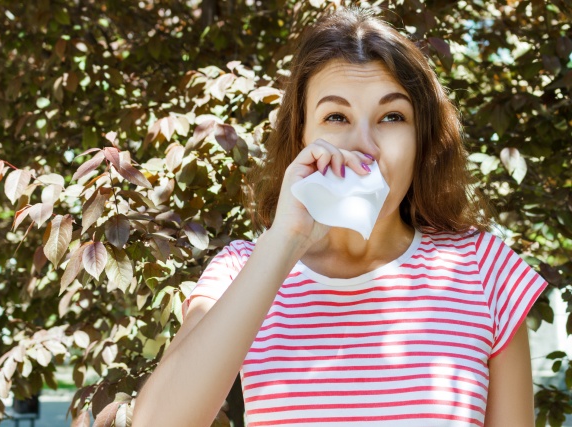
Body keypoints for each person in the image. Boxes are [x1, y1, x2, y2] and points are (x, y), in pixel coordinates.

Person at [132, 6, 547, 427]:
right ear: (302, 138)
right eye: (336, 117)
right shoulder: (240, 270)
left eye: (392, 116)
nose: (363, 144)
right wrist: (286, 239)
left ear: (421, 139)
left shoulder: (483, 268)